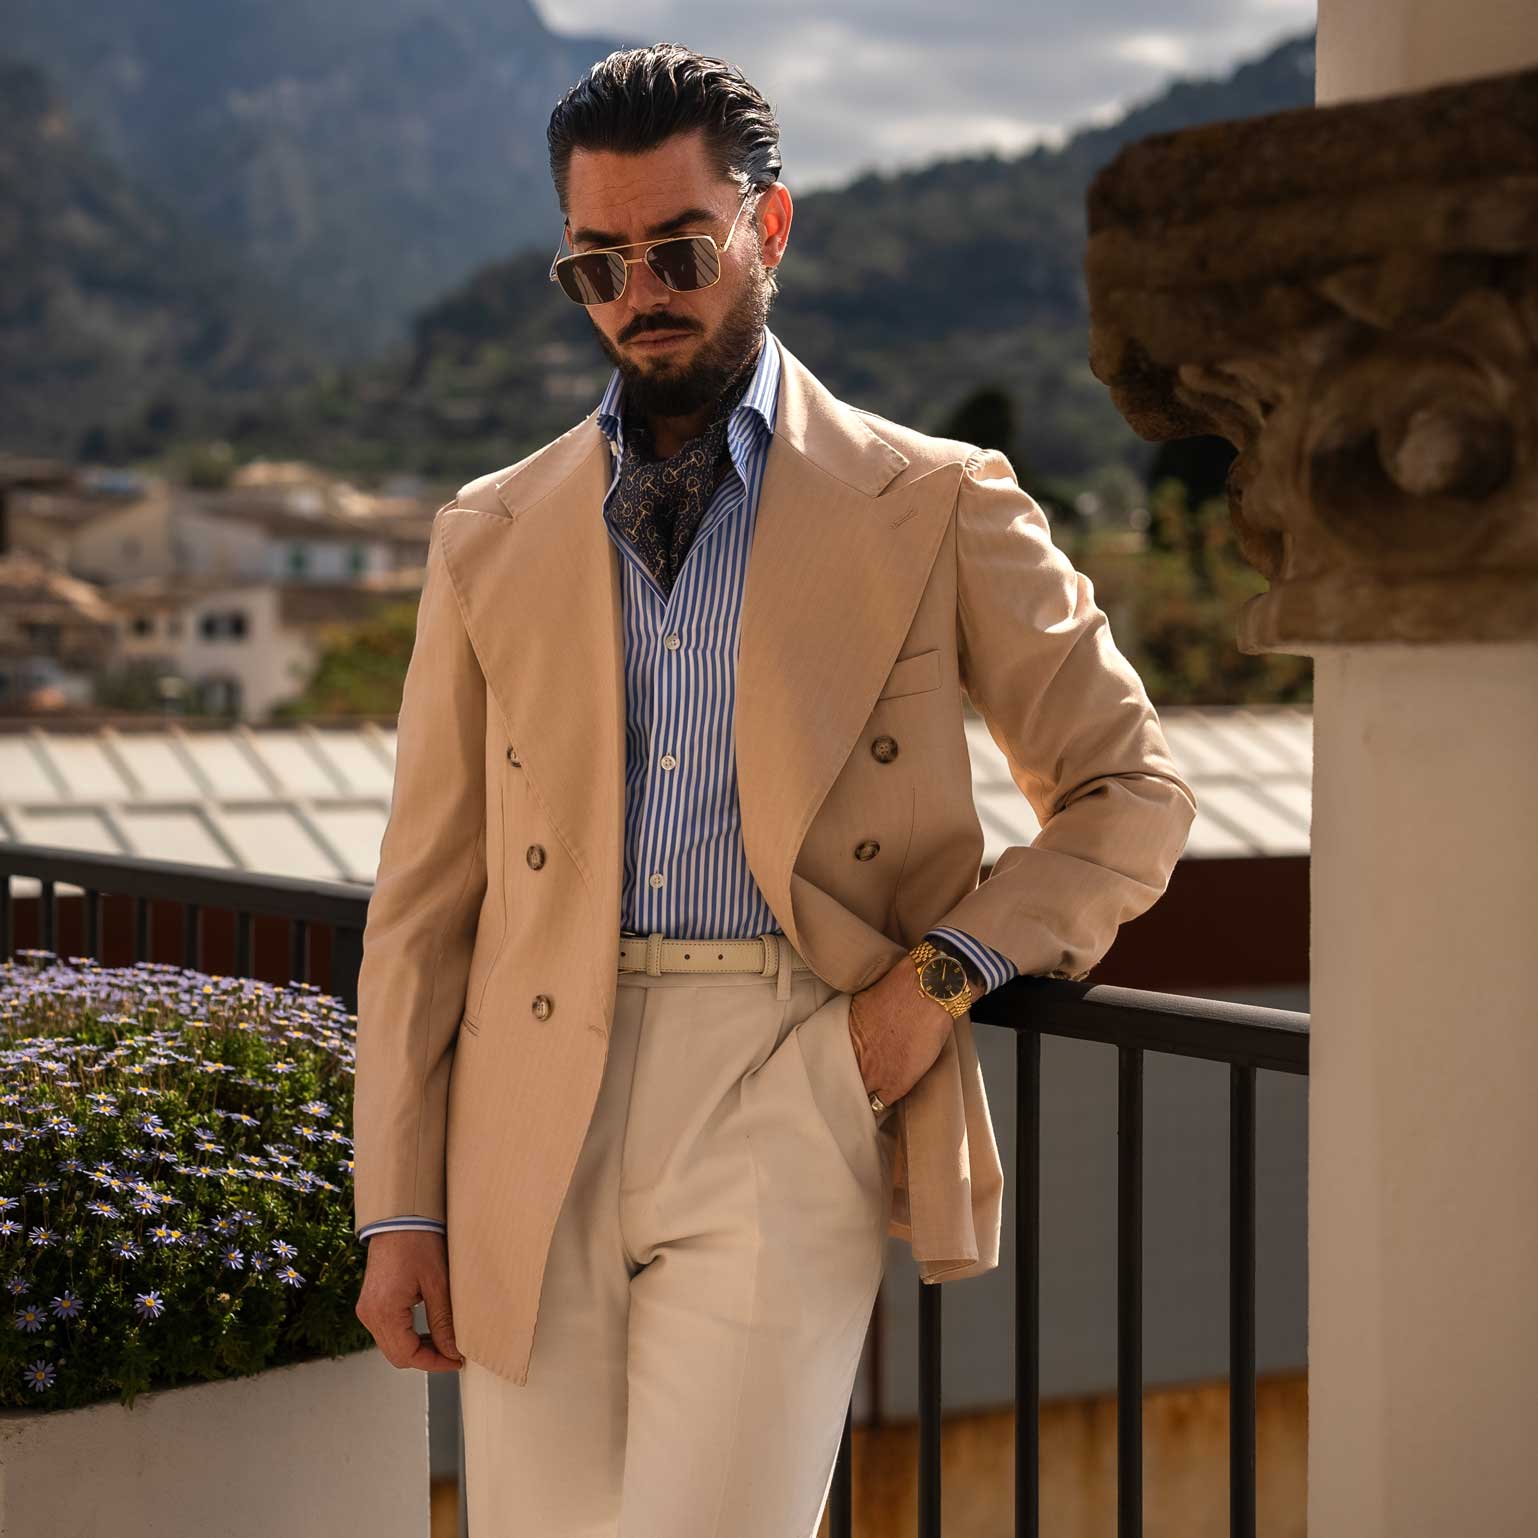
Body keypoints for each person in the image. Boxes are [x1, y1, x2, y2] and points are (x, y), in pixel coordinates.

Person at [352, 42, 1197, 1537]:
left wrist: (935, 981)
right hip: (523, 1105)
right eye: (595, 268)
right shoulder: (490, 532)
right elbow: (425, 900)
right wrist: (398, 1206)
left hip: (785, 1073)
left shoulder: (934, 501)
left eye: (678, 248)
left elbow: (1128, 789)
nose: (638, 295)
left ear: (770, 226)